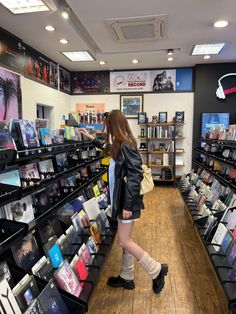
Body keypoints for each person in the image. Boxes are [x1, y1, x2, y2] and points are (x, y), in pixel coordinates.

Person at [79, 110, 168, 293]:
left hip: (127, 203)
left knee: (124, 241)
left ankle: (156, 270)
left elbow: (135, 175)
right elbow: (108, 149)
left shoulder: (125, 145)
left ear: (113, 125)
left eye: (108, 125)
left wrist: (127, 205)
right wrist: (90, 138)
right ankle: (127, 276)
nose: (106, 128)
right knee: (125, 238)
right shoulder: (120, 144)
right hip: (122, 201)